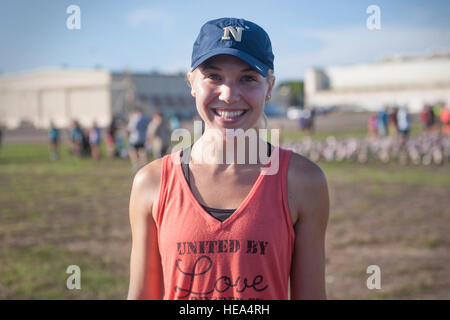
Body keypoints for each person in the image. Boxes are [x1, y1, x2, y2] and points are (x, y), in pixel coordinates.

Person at [127, 17, 330, 300]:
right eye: (214, 76)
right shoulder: (152, 183)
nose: (229, 94)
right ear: (192, 83)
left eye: (248, 78)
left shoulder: (303, 181)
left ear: (269, 86)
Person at [127, 108, 150, 172]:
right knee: (142, 152)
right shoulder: (145, 118)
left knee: (132, 152)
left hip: (134, 138)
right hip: (143, 138)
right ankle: (144, 165)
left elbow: (130, 128)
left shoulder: (134, 118)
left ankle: (136, 165)